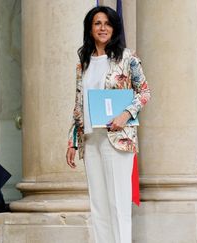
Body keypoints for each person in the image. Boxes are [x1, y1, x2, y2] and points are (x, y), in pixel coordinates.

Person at [65, 6, 150, 243]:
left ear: (114, 28)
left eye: (107, 23)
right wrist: (72, 141)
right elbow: (78, 103)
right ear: (90, 29)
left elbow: (144, 92)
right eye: (97, 23)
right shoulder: (83, 62)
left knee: (118, 203)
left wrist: (125, 114)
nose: (103, 28)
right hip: (90, 139)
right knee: (99, 205)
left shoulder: (127, 58)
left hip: (118, 139)